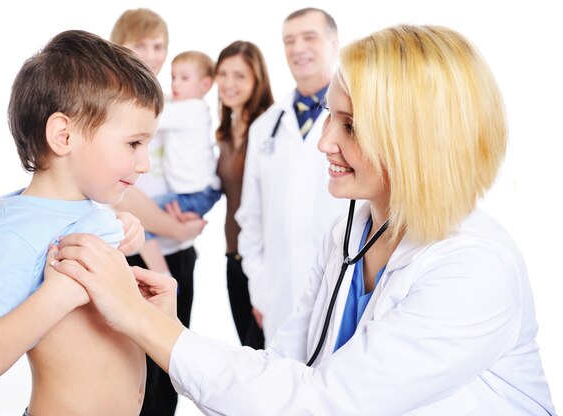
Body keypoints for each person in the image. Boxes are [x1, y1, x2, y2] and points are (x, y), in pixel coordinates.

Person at [52, 24, 556, 415]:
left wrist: (137, 319)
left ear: (419, 139)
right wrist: (164, 326)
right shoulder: (349, 234)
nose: (324, 142)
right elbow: (280, 376)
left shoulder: (473, 269)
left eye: (351, 125)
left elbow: (319, 404)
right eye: (331, 117)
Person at [0, 29, 163, 416]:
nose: (145, 164)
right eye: (133, 144)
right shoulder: (17, 238)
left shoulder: (95, 214)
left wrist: (125, 231)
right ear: (63, 135)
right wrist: (59, 294)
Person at [235, 7, 348, 344]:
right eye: (289, 41)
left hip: (342, 285)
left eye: (309, 38)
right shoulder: (265, 126)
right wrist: (260, 288)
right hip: (279, 296)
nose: (298, 48)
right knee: (283, 387)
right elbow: (251, 218)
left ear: (334, 43)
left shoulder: (364, 117)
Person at [109, 8, 202, 416]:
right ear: (117, 44)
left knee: (171, 360)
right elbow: (120, 189)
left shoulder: (166, 102)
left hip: (175, 252)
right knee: (135, 363)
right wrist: (173, 228)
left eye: (159, 45)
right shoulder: (109, 102)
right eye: (140, 44)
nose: (151, 54)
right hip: (133, 249)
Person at [213, 40, 273, 348]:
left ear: (256, 80)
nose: (228, 83)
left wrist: (262, 285)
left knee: (264, 353)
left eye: (239, 75)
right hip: (232, 256)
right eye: (222, 74)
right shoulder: (225, 132)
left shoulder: (268, 131)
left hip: (262, 262)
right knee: (248, 355)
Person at [140, 50, 222, 270]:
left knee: (141, 222)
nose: (176, 83)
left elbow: (151, 119)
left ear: (205, 85)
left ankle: (163, 276)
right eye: (173, 77)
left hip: (194, 193)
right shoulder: (186, 107)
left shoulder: (191, 109)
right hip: (198, 191)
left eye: (184, 78)